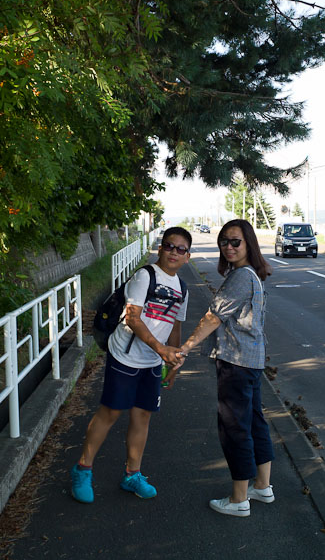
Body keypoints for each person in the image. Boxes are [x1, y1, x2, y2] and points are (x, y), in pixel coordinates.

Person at [69, 227, 191, 503]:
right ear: (160, 249)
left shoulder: (182, 288)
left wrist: (173, 360)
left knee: (142, 416)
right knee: (111, 412)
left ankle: (132, 475)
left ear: (187, 257)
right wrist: (160, 349)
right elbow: (133, 319)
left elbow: (175, 325)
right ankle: (83, 469)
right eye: (169, 246)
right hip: (124, 356)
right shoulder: (144, 276)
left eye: (180, 249)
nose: (174, 252)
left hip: (150, 362)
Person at [167, 219, 274, 517]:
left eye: (235, 242)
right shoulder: (251, 274)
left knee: (234, 428)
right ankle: (262, 487)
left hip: (236, 363)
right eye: (224, 242)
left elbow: (213, 317)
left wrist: (185, 347)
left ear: (248, 244)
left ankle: (239, 498)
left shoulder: (241, 277)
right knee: (254, 422)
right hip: (251, 361)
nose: (228, 247)